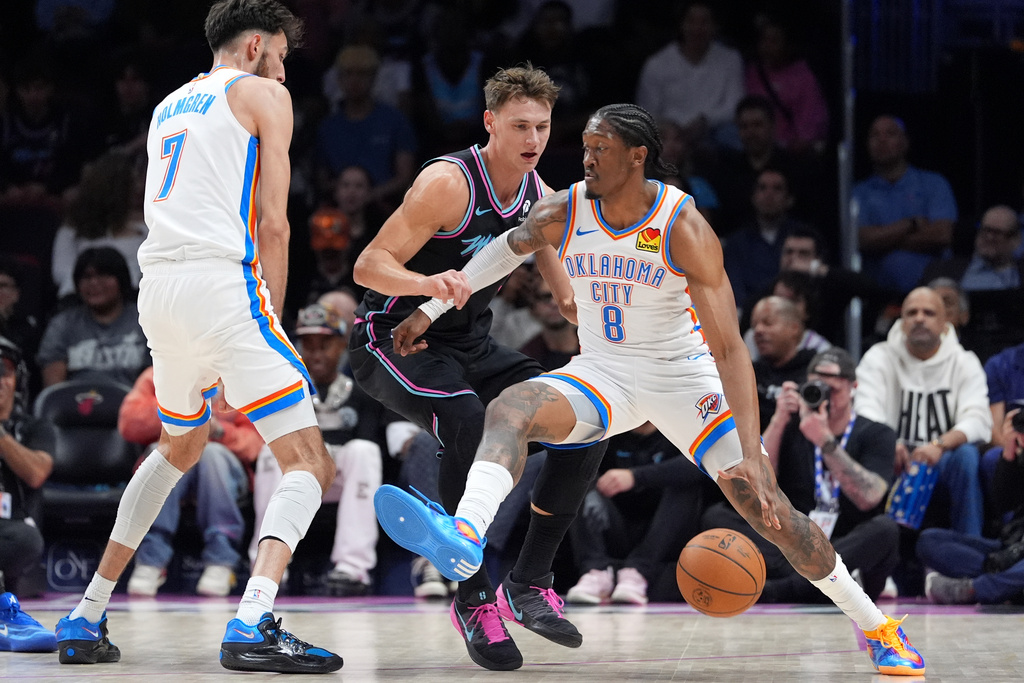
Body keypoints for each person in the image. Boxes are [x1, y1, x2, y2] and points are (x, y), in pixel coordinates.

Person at [378, 103, 925, 676]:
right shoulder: (566, 207)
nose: (587, 158)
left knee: (771, 514)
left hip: (681, 378)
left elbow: (732, 350)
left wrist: (752, 449)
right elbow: (502, 250)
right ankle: (466, 534)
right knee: (510, 405)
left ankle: (879, 628)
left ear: (638, 157)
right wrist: (433, 309)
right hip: (602, 373)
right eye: (585, 147)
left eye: (601, 150)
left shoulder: (680, 223)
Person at [53, 1, 343, 673]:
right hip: (223, 285)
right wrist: (268, 311)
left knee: (178, 444)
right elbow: (275, 223)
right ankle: (253, 619)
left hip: (157, 290)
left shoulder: (167, 107)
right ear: (253, 50)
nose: (283, 69)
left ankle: (86, 611)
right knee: (309, 460)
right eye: (279, 55)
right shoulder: (264, 94)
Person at [349, 65, 606, 672]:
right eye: (520, 125)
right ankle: (472, 600)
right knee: (467, 418)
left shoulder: (536, 192)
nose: (533, 138)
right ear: (490, 122)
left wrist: (594, 317)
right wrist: (425, 283)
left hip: (468, 343)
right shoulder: (447, 183)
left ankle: (530, 580)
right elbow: (367, 265)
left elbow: (556, 274)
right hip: (393, 338)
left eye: (542, 126)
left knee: (584, 417)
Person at [703, 348, 900, 603]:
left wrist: (826, 442)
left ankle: (783, 589)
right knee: (717, 515)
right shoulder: (790, 425)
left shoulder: (877, 433)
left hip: (844, 541)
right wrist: (778, 420)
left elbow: (869, 497)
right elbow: (757, 484)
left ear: (853, 388)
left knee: (885, 531)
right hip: (794, 540)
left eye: (834, 391)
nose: (824, 398)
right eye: (816, 388)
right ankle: (819, 586)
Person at [249, 303, 384, 597]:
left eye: (325, 345)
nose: (316, 353)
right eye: (308, 345)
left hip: (341, 478)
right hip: (297, 474)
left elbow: (368, 441)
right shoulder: (283, 390)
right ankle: (268, 563)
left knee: (364, 450)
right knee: (269, 453)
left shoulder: (360, 392)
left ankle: (352, 567)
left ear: (341, 346)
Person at [855, 287, 991, 537]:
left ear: (943, 323)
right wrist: (887, 442)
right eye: (911, 313)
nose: (919, 318)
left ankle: (967, 548)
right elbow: (865, 408)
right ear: (902, 321)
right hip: (892, 458)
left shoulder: (964, 361)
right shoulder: (878, 357)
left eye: (928, 313)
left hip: (941, 459)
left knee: (967, 457)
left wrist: (938, 445)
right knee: (860, 448)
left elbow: (979, 419)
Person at [119, 367, 260, 598]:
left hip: (223, 466)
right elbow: (129, 421)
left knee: (212, 455)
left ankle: (221, 560)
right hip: (176, 455)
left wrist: (218, 429)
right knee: (162, 451)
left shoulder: (239, 372)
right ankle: (151, 560)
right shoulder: (162, 367)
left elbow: (255, 443)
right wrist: (180, 412)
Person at [565, 422, 720, 605]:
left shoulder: (677, 429)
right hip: (617, 527)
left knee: (686, 485)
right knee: (576, 475)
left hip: (662, 532)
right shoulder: (607, 431)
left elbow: (702, 465)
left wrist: (635, 476)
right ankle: (595, 572)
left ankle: (637, 572)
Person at [853, 115, 957, 295]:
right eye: (874, 135)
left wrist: (885, 242)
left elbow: (942, 235)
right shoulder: (858, 192)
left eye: (890, 134)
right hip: (878, 294)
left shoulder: (934, 183)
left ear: (905, 142)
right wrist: (911, 225)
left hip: (932, 291)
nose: (882, 140)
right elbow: (862, 240)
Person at [0, 336, 57, 652]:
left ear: (16, 379)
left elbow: (37, 473)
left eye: (3, 370)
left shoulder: (36, 427)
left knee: (24, 539)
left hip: (11, 532)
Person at [37, 247, 151, 388]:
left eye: (103, 275)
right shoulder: (62, 324)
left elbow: (155, 381)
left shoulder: (146, 321)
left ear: (121, 280)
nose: (94, 283)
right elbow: (53, 391)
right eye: (86, 277)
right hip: (75, 406)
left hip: (132, 405)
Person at [635, 1, 743, 150]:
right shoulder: (657, 64)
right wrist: (673, 131)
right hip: (669, 134)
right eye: (692, 21)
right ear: (682, 25)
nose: (697, 29)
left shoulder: (730, 59)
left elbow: (735, 105)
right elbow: (648, 111)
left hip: (714, 130)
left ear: (714, 26)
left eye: (704, 22)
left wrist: (704, 121)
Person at [750, 295, 818, 432]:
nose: (758, 330)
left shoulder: (815, 371)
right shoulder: (750, 373)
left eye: (768, 323)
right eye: (754, 325)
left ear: (794, 328)